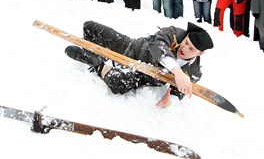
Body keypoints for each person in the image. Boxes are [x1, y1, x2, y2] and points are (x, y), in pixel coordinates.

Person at [64, 21, 214, 106]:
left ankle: (96, 63)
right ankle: (92, 50)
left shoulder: (193, 72)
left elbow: (180, 90)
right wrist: (178, 72)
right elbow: (158, 45)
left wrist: (171, 97)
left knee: (118, 82)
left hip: (141, 73)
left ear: (200, 53)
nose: (184, 49)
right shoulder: (174, 33)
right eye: (186, 42)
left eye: (191, 49)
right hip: (133, 47)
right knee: (89, 27)